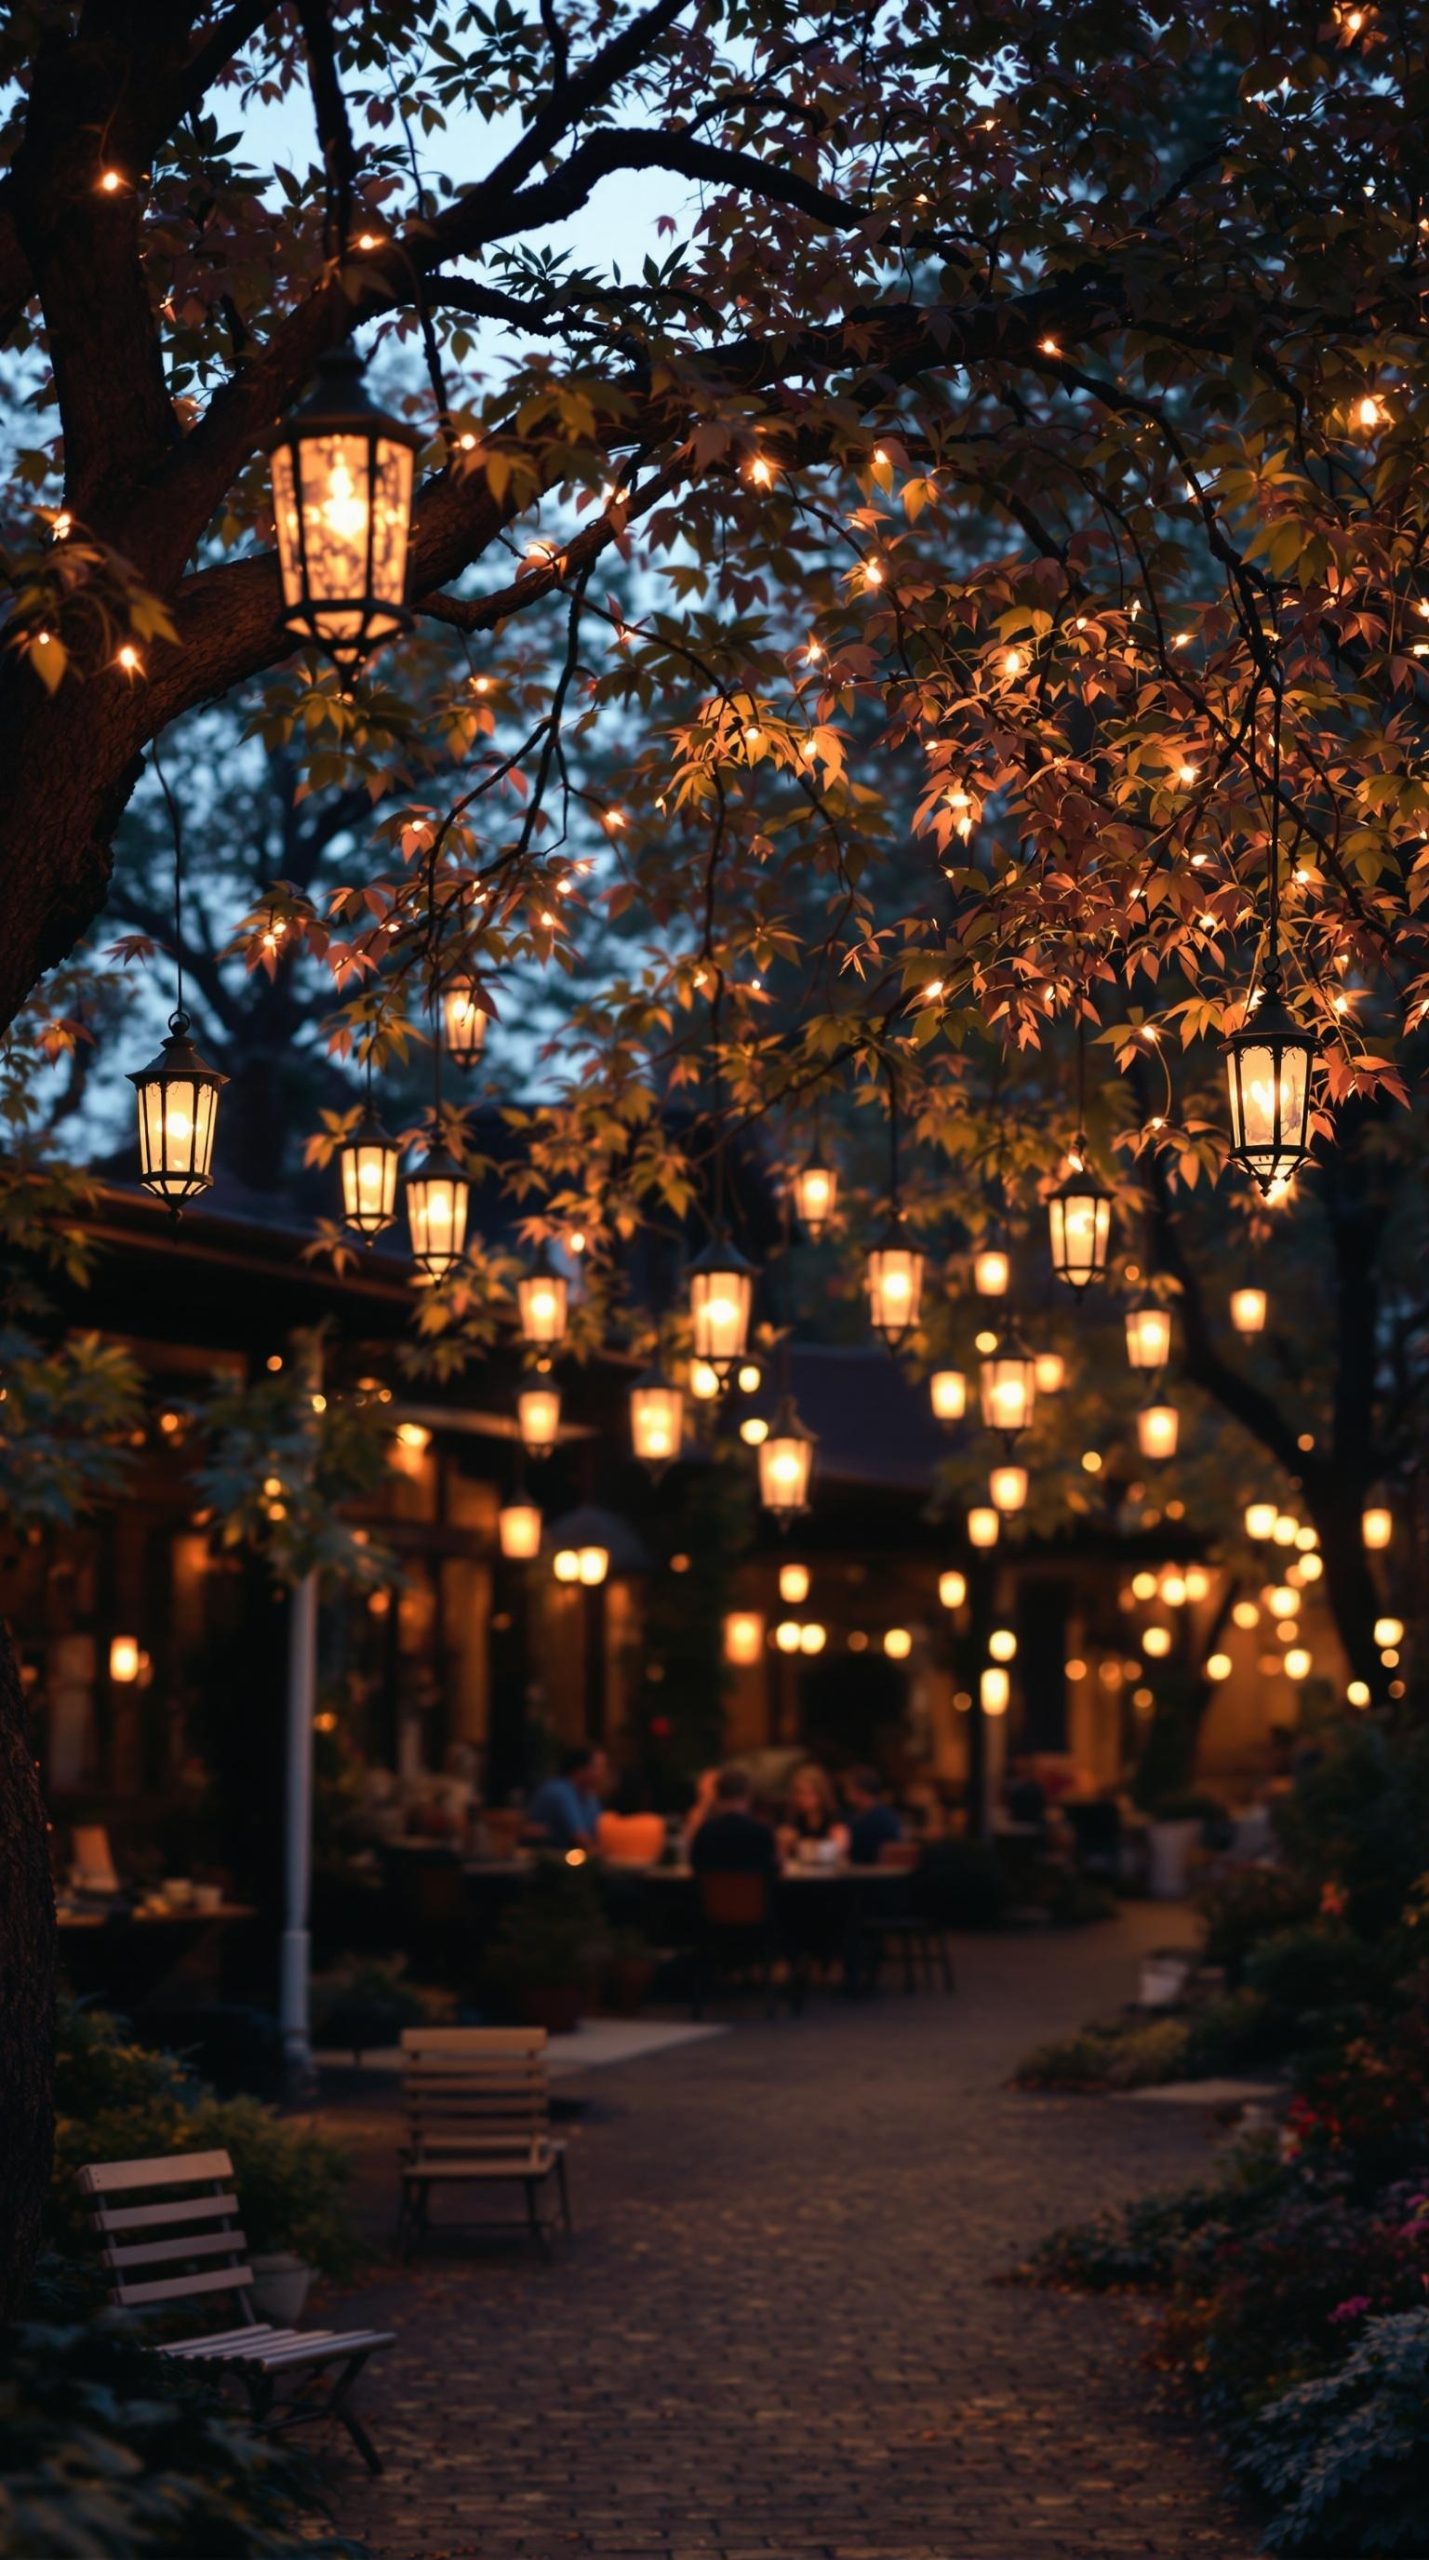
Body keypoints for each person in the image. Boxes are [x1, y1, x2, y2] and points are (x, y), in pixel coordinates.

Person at [688, 1766, 779, 1876]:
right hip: (751, 1893)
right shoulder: (761, 1832)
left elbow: (695, 1867)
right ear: (747, 1796)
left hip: (715, 1893)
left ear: (718, 1796)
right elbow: (774, 1871)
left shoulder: (705, 1832)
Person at [525, 1744, 608, 1852]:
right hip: (548, 1860)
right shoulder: (559, 1790)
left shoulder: (589, 1796)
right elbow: (580, 1838)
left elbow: (600, 1832)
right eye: (598, 1767)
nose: (603, 1773)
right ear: (580, 1769)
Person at [777, 1761, 849, 1861]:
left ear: (820, 1794)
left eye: (805, 1793)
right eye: (796, 1793)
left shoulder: (834, 1817)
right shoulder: (791, 1818)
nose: (800, 1799)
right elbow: (779, 1856)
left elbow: (840, 1849)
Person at [843, 1766, 903, 1866]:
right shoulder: (854, 1815)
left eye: (849, 1788)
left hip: (875, 1876)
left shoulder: (882, 1818)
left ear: (860, 1790)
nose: (846, 1793)